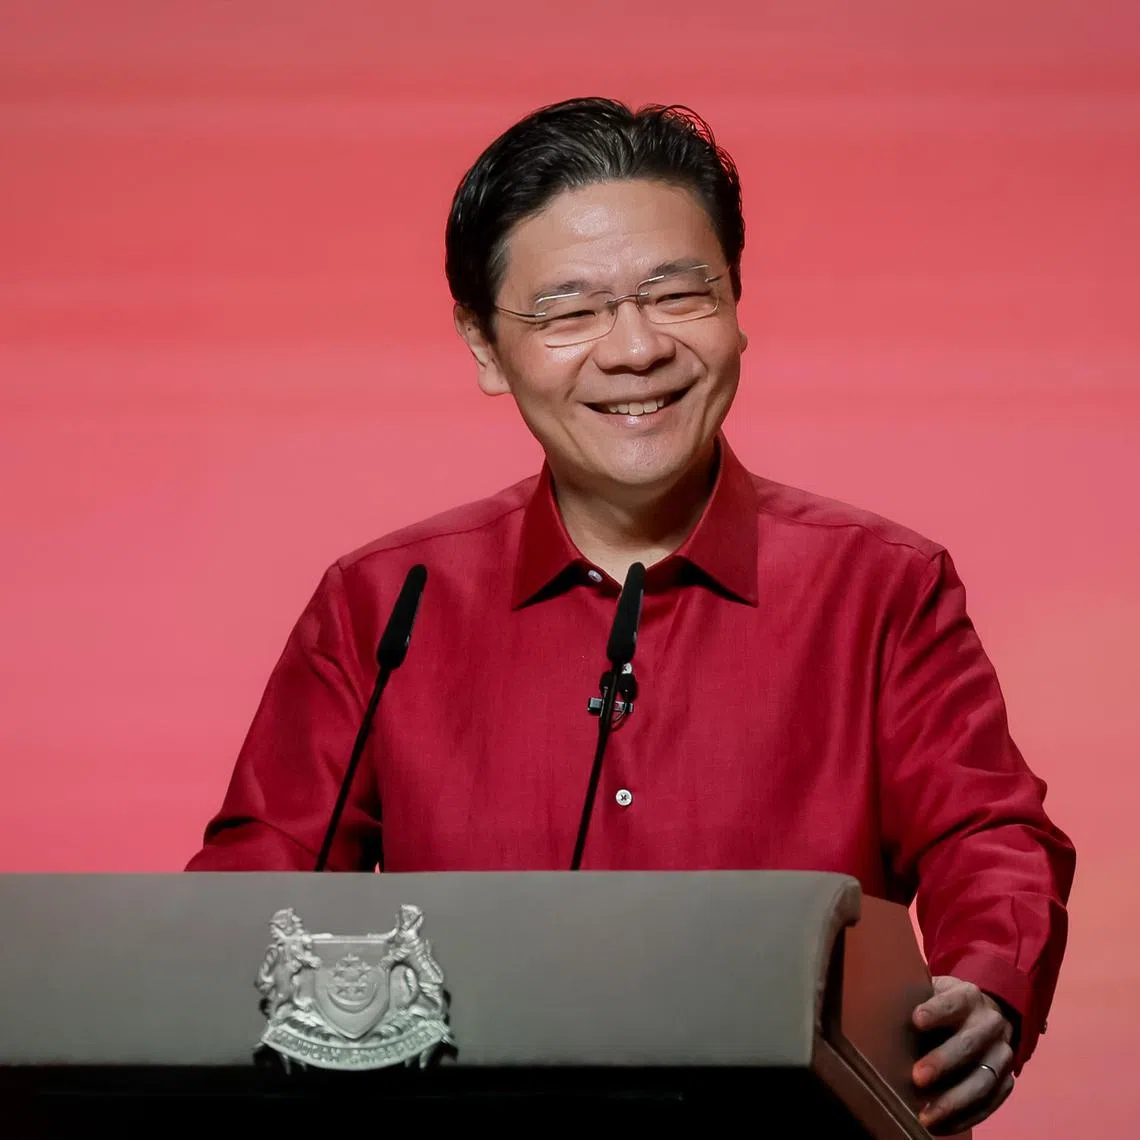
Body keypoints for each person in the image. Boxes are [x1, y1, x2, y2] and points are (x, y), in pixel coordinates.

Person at [187, 98, 1075, 1132]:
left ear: (737, 305)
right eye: (570, 311)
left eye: (676, 292)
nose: (637, 347)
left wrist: (988, 979)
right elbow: (254, 903)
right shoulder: (385, 602)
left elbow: (989, 832)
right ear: (484, 347)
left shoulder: (882, 584)